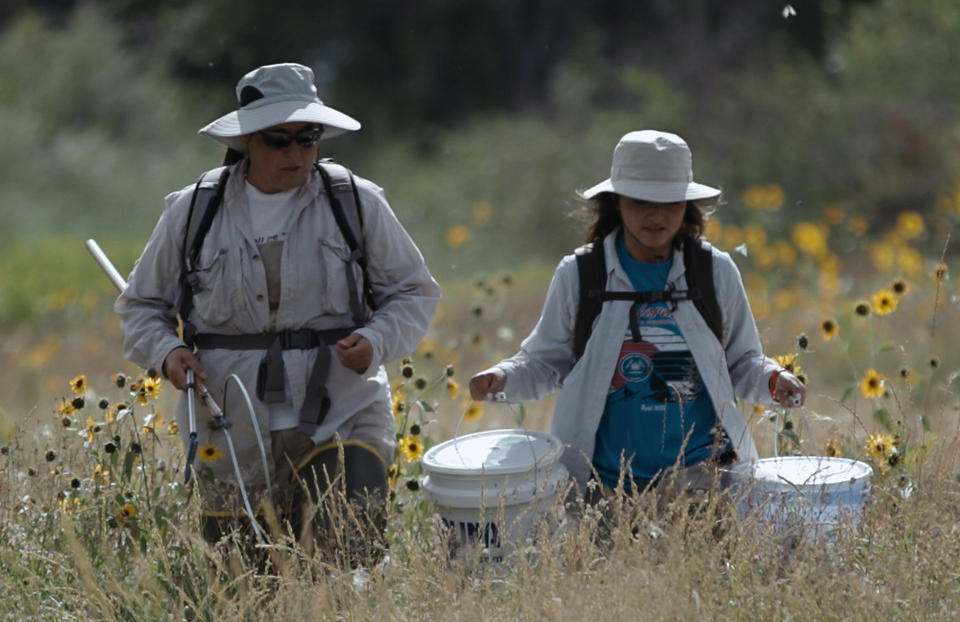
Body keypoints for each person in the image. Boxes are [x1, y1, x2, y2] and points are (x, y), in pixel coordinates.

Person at [116, 63, 441, 560]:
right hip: (231, 418)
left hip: (342, 407)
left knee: (347, 547)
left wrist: (378, 340)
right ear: (248, 140)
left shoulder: (354, 201)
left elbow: (413, 292)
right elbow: (142, 307)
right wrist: (169, 351)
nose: (297, 152)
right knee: (246, 572)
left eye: (308, 137)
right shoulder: (192, 210)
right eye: (278, 140)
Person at [469, 130, 804, 511]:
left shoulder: (714, 272)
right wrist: (503, 378)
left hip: (704, 477)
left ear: (687, 205)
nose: (656, 215)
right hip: (603, 487)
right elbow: (545, 361)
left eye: (670, 202)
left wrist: (774, 380)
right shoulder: (581, 274)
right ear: (616, 203)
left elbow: (742, 362)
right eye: (641, 201)